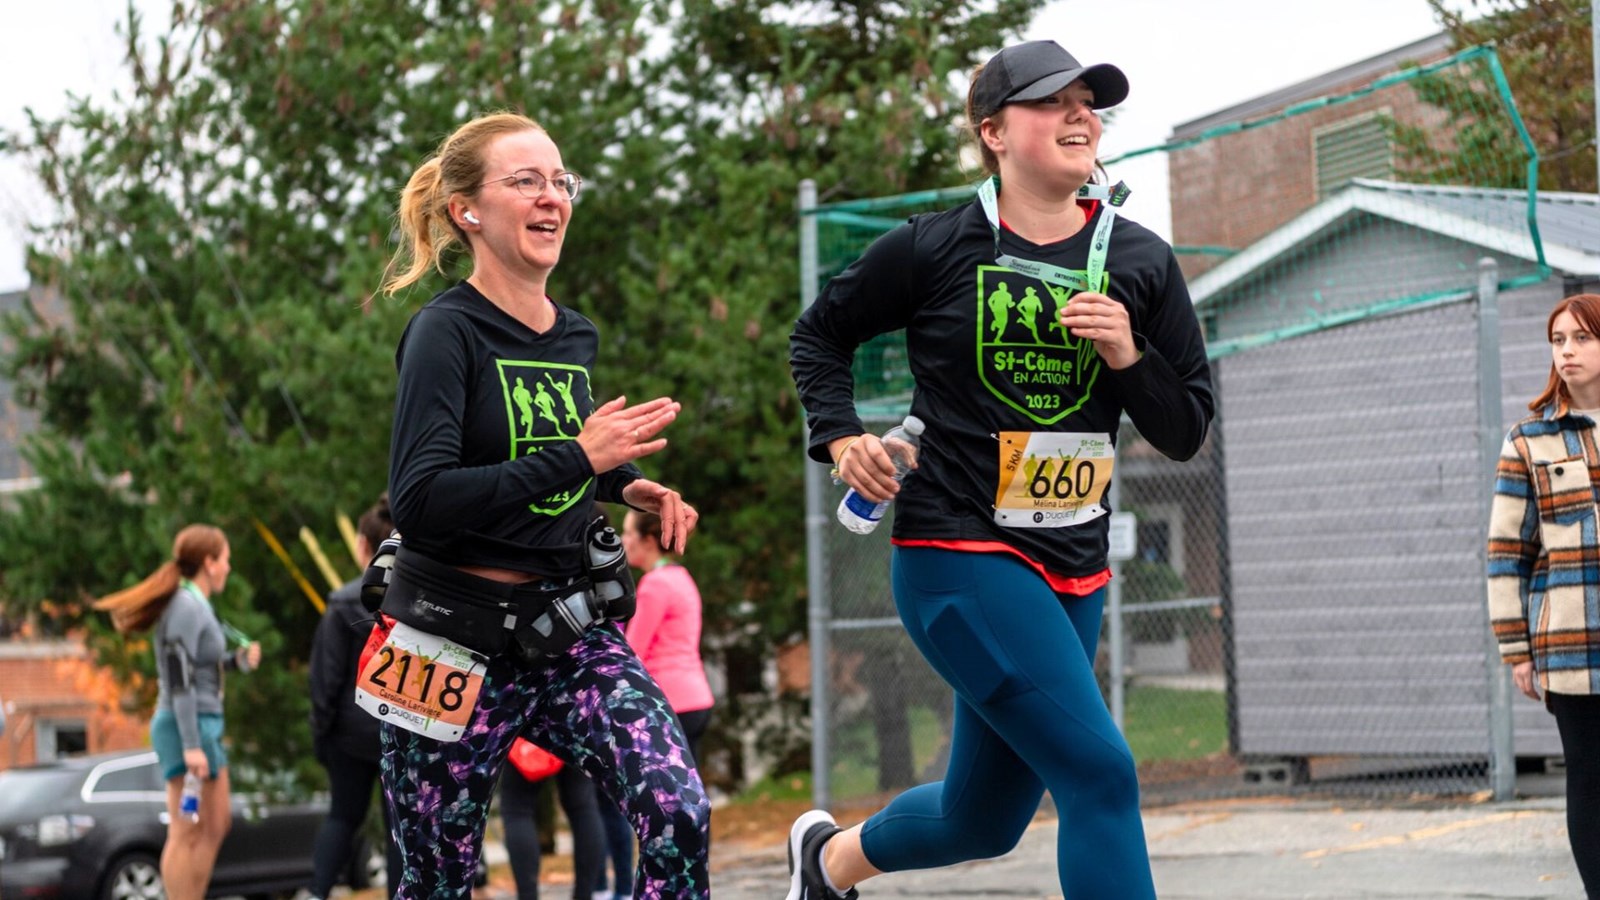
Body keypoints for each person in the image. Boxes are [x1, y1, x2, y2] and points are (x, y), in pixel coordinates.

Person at [787, 40, 1214, 900]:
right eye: (1051, 100)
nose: (1079, 114)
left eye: (1088, 102)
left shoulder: (1139, 260)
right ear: (993, 132)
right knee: (1100, 775)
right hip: (959, 553)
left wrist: (1129, 356)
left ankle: (826, 865)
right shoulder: (934, 247)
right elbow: (819, 336)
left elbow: (1186, 430)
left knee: (981, 819)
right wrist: (840, 438)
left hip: (1074, 566)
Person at [377, 111, 709, 900]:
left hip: (568, 631)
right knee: (436, 881)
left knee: (678, 812)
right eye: (525, 180)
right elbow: (420, 500)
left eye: (561, 181)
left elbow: (549, 446)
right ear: (467, 210)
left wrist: (624, 482)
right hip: (446, 640)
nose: (551, 196)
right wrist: (581, 458)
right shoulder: (443, 333)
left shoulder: (574, 336)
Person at [1487, 291, 1600, 900]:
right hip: (1571, 649)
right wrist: (1517, 649)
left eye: (1581, 338)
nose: (1567, 351)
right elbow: (1507, 550)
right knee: (1590, 782)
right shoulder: (1528, 440)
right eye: (1558, 340)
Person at [93, 524, 263, 900]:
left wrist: (236, 661)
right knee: (186, 829)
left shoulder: (196, 603)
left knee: (216, 823)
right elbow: (179, 678)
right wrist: (191, 745)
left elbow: (202, 664)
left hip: (203, 722)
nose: (229, 567)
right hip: (186, 725)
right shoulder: (184, 606)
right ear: (209, 563)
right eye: (226, 560)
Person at [589, 509, 717, 899]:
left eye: (628, 533)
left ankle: (626, 887)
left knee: (633, 800)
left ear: (647, 540)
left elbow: (632, 651)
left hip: (668, 704)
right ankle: (691, 879)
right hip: (696, 698)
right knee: (688, 800)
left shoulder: (655, 585)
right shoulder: (681, 577)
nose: (622, 541)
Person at [307, 494, 403, 899]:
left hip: (349, 733)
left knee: (343, 817)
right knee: (400, 828)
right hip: (401, 729)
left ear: (364, 546)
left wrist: (321, 732)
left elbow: (325, 678)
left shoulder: (343, 603)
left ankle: (317, 892)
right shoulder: (416, 602)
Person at [498, 739, 607, 900]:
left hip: (528, 735)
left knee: (517, 810)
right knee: (583, 807)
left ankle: (527, 896)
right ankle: (584, 895)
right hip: (575, 732)